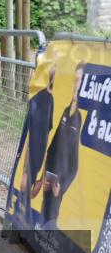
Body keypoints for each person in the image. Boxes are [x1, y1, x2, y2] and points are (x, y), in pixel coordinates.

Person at [39, 61, 85, 230]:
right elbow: (53, 146)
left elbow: (75, 164)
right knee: (44, 209)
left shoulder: (79, 117)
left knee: (51, 215)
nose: (75, 84)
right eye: (75, 79)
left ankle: (48, 241)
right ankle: (39, 237)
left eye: (79, 80)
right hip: (49, 176)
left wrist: (62, 186)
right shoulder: (65, 110)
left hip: (60, 183)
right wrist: (44, 174)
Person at [14, 59, 56, 223]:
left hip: (38, 148)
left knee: (28, 176)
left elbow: (47, 131)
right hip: (35, 147)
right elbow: (39, 131)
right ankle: (21, 213)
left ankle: (22, 210)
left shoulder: (47, 99)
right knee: (27, 176)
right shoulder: (43, 98)